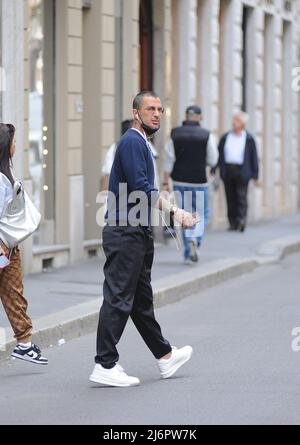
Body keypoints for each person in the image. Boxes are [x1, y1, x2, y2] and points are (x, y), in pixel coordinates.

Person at [89, 91, 198, 387]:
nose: (157, 114)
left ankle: (165, 356)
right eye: (150, 108)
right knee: (119, 297)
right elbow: (142, 189)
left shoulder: (141, 144)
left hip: (134, 230)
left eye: (160, 109)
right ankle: (105, 363)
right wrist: (178, 212)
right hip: (125, 231)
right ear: (135, 112)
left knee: (139, 300)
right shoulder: (132, 142)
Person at [0, 123, 48, 365]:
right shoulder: (0, 180)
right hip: (2, 247)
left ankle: (24, 344)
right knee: (13, 294)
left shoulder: (5, 175)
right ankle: (24, 344)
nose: (16, 146)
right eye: (14, 142)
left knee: (14, 294)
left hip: (8, 247)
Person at [163, 105, 218, 264]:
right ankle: (195, 239)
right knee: (200, 214)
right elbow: (213, 159)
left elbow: (169, 160)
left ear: (186, 116)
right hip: (200, 181)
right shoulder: (207, 135)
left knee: (183, 215)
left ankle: (188, 252)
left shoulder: (174, 134)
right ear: (200, 117)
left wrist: (165, 182)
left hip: (179, 181)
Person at [212, 112, 259, 232]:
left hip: (243, 171)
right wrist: (214, 169)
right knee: (230, 197)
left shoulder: (248, 138)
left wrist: (255, 174)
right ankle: (232, 222)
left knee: (241, 196)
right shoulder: (226, 137)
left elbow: (254, 156)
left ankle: (242, 220)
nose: (234, 123)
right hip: (228, 170)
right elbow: (218, 154)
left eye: (237, 120)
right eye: (233, 120)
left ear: (242, 124)